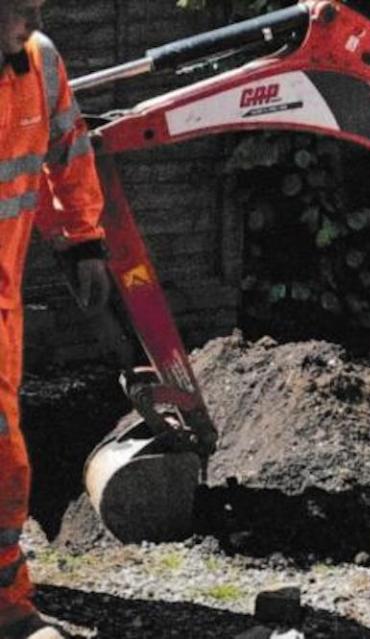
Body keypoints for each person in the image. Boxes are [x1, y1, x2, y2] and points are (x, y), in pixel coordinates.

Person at [0, 0, 111, 637]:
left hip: (4, 304)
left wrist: (83, 242)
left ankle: (7, 603)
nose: (33, 25)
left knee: (5, 460)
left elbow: (68, 148)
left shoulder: (39, 64)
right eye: (19, 11)